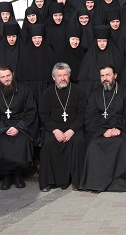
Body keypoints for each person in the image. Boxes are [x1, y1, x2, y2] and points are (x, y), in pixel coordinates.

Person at [80, 65, 126, 192]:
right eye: (102, 76)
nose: (105, 78)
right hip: (100, 132)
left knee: (121, 144)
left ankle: (119, 183)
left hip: (119, 131)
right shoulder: (95, 94)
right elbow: (90, 116)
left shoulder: (124, 92)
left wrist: (119, 129)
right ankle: (96, 183)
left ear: (115, 76)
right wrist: (104, 131)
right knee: (93, 145)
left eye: (108, 75)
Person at [0, 66, 38, 190]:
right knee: (0, 141)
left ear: (13, 74)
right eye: (2, 77)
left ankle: (19, 175)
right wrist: (4, 129)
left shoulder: (24, 90)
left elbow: (31, 111)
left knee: (22, 140)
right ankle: (6, 176)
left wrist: (18, 127)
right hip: (1, 126)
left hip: (21, 125)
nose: (6, 79)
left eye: (8, 75)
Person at [38, 62, 87, 191]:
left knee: (79, 141)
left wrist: (72, 130)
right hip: (53, 129)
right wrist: (55, 131)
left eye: (65, 75)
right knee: (49, 142)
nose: (62, 78)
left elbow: (83, 114)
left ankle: (77, 181)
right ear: (53, 77)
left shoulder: (78, 91)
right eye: (59, 75)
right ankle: (49, 181)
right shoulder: (47, 93)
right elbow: (43, 115)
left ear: (69, 76)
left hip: (74, 128)